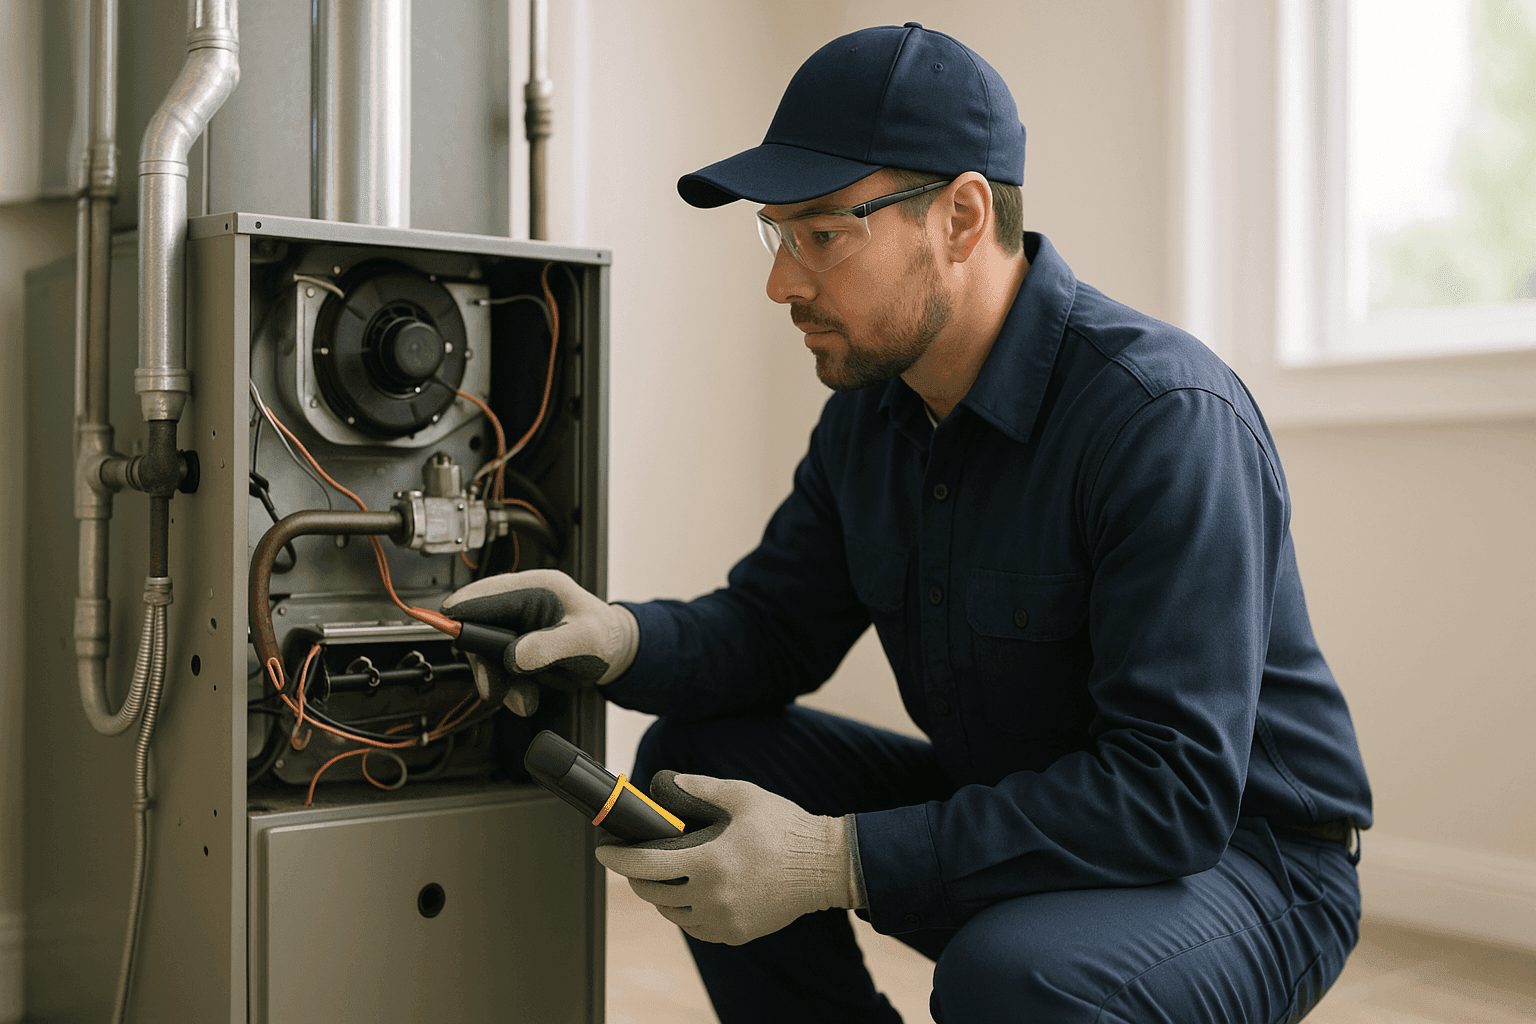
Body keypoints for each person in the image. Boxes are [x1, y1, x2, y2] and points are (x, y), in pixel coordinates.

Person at [445, 22, 1372, 1023]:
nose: (782, 282)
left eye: (824, 236)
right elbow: (770, 629)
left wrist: (831, 861)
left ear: (962, 217)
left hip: (1250, 866)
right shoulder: (870, 422)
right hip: (1032, 809)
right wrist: (614, 636)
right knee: (696, 763)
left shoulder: (1162, 421)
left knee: (1015, 978)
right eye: (777, 233)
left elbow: (1171, 795)